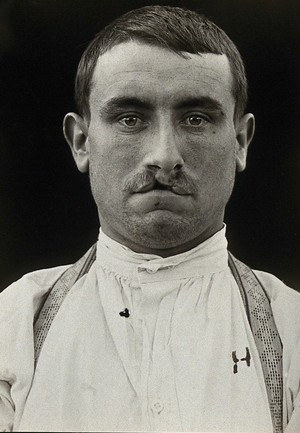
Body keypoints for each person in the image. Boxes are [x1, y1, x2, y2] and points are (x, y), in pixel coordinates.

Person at [0, 5, 299, 432]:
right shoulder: (12, 327)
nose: (164, 156)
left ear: (239, 142)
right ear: (81, 142)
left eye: (196, 118)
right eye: (130, 118)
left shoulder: (293, 335)